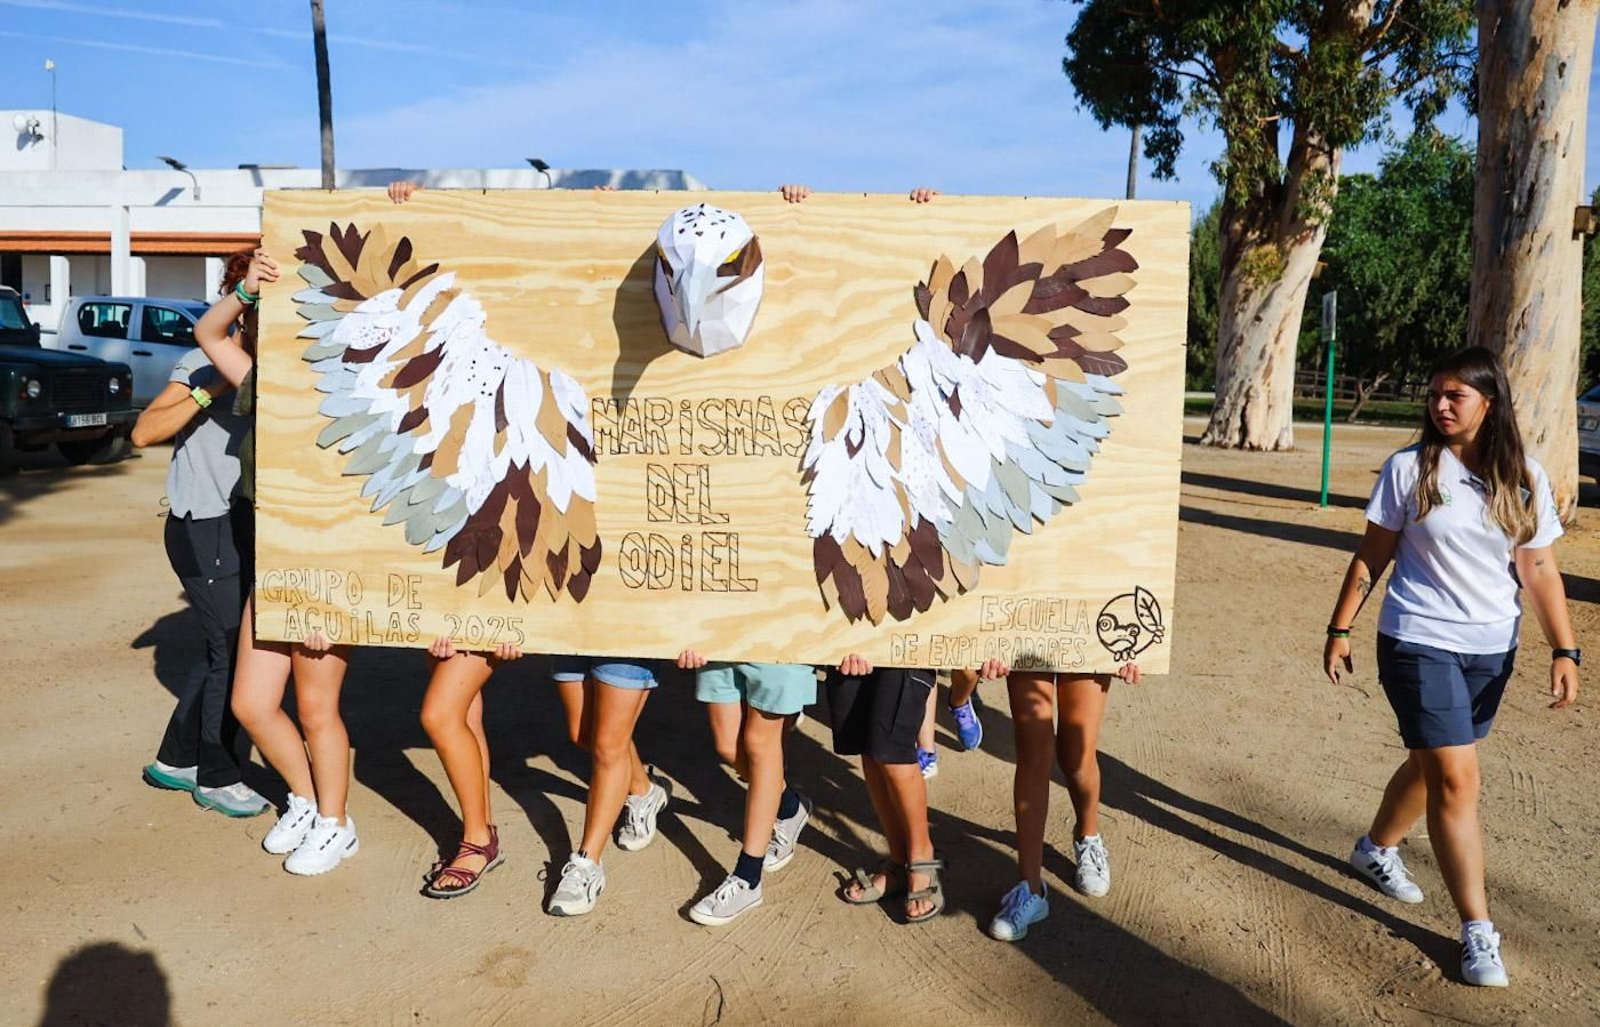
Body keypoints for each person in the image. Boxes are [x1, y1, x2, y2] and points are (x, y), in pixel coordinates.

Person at [1323, 345, 1579, 989]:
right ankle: (1478, 931)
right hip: (1415, 639)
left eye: (1454, 396)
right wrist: (1339, 627)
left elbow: (1540, 567)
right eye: (1434, 394)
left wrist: (1564, 648)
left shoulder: (1525, 477)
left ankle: (1374, 849)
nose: (1439, 405)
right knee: (1458, 779)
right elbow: (1371, 555)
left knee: (1430, 762)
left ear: (1488, 404)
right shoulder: (1409, 470)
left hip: (1492, 649)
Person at [194, 249, 359, 876]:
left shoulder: (347, 391)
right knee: (251, 704)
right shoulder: (262, 380)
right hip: (275, 565)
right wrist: (249, 291)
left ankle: (337, 824)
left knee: (318, 709)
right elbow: (208, 331)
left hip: (329, 569)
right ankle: (309, 800)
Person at [132, 253, 269, 818]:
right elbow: (144, 432)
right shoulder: (202, 361)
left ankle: (174, 758)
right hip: (202, 521)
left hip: (243, 523)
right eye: (248, 294)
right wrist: (209, 390)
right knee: (232, 653)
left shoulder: (283, 365)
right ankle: (216, 775)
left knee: (226, 646)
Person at [976, 658, 1140, 942]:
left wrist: (1134, 643)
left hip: (1086, 625)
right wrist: (990, 639)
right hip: (1025, 626)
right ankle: (1030, 887)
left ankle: (1087, 835)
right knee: (1033, 752)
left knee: (1077, 755)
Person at [677, 652, 814, 925]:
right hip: (719, 631)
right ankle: (788, 806)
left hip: (780, 639)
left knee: (760, 743)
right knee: (728, 746)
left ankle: (748, 878)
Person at [545, 658, 671, 916]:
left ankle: (587, 863)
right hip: (572, 626)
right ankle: (644, 789)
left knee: (608, 747)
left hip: (628, 634)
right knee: (585, 735)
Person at [418, 638, 522, 898]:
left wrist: (517, 620)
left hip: (496, 611)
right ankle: (483, 831)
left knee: (440, 715)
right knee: (463, 713)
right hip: (452, 609)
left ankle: (479, 840)